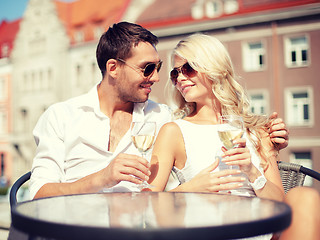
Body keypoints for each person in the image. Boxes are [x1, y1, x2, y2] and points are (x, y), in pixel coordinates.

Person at [29, 22, 288, 200]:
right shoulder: (61, 116)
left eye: (161, 68)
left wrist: (270, 140)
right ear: (113, 68)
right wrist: (102, 178)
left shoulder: (162, 117)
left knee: (304, 198)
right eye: (147, 68)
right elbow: (38, 193)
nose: (157, 78)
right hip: (73, 229)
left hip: (140, 229)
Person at [148, 33, 319, 239]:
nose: (181, 78)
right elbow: (147, 202)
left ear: (214, 68)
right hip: (211, 231)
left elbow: (279, 204)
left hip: (259, 231)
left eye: (188, 68)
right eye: (175, 74)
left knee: (305, 195)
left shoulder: (256, 130)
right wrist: (190, 189)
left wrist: (253, 173)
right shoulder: (174, 131)